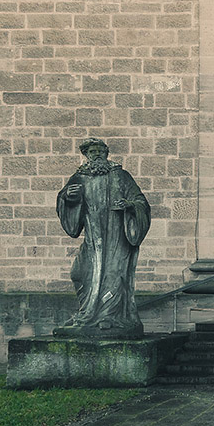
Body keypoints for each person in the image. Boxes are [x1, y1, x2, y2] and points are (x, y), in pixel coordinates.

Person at [55, 138, 150, 338]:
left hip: (116, 238)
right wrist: (68, 197)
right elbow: (68, 206)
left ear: (106, 153)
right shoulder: (78, 178)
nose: (96, 154)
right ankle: (86, 312)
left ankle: (111, 317)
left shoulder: (121, 176)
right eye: (92, 151)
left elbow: (140, 201)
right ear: (86, 155)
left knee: (114, 276)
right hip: (93, 236)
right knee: (79, 273)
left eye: (100, 150)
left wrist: (130, 206)